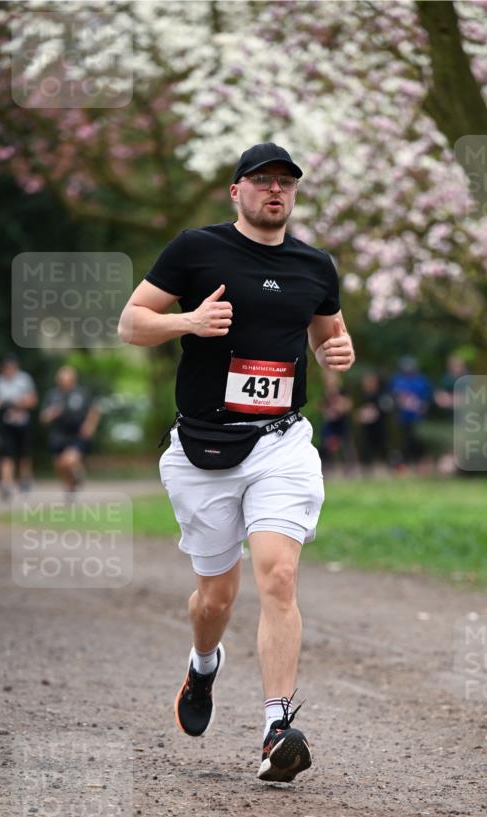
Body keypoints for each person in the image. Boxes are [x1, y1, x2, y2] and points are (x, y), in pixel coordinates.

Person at [118, 143, 355, 783]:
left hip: (281, 442)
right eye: (261, 181)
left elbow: (328, 331)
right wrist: (190, 322)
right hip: (202, 451)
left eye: (285, 183)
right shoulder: (196, 249)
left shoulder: (315, 265)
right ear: (236, 191)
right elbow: (131, 323)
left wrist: (338, 350)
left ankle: (277, 728)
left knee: (277, 576)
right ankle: (202, 666)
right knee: (215, 598)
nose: (274, 191)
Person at [40, 365, 100, 496]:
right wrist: (50, 414)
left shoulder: (82, 393)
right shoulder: (52, 395)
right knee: (59, 465)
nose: (65, 382)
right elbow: (43, 418)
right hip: (58, 436)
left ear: (74, 379)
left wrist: (90, 425)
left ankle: (76, 476)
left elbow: (94, 411)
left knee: (69, 460)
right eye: (62, 379)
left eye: (68, 379)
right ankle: (71, 484)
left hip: (77, 435)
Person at [0, 353, 38, 500]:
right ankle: (6, 484)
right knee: (5, 453)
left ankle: (25, 480)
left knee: (24, 454)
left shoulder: (24, 379)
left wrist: (18, 404)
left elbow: (32, 400)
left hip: (22, 421)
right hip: (5, 422)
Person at [389, 356, 433, 468]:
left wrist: (421, 406)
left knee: (418, 439)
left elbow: (428, 398)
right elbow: (394, 396)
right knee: (404, 440)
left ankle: (420, 462)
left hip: (418, 416)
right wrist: (402, 401)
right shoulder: (398, 379)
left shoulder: (421, 380)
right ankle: (403, 462)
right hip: (403, 416)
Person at [319, 370, 355, 474]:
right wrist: (327, 412)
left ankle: (350, 467)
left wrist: (340, 408)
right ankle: (326, 466)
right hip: (330, 423)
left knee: (346, 445)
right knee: (327, 444)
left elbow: (348, 405)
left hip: (342, 421)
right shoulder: (325, 393)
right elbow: (322, 407)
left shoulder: (342, 391)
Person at [356, 370, 391, 473]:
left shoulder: (381, 394)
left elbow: (385, 409)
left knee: (382, 447)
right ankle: (367, 469)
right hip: (367, 428)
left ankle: (387, 467)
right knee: (366, 447)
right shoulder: (363, 395)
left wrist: (374, 413)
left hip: (380, 427)